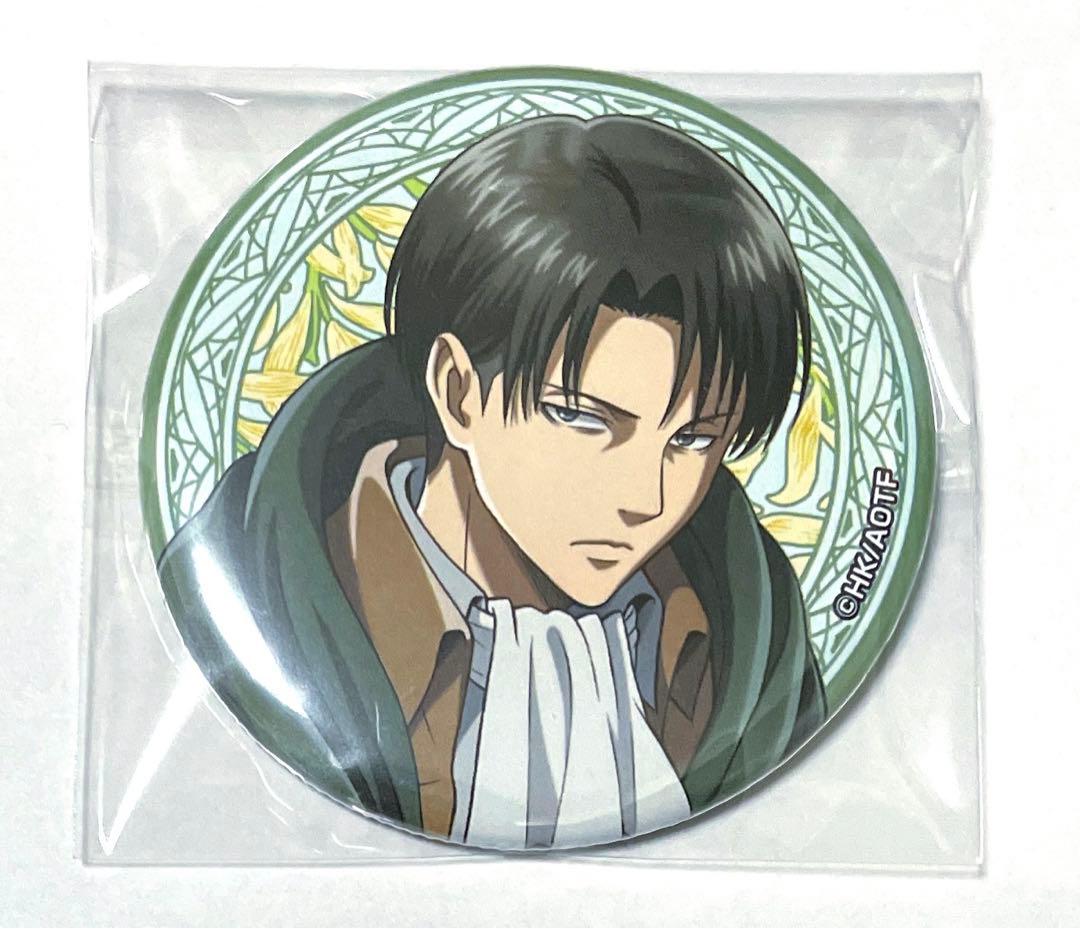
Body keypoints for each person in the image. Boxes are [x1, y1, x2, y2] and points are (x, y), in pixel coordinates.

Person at [157, 114, 827, 849]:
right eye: (582, 418)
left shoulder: (749, 644)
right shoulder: (255, 598)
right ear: (458, 390)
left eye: (693, 439)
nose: (647, 499)